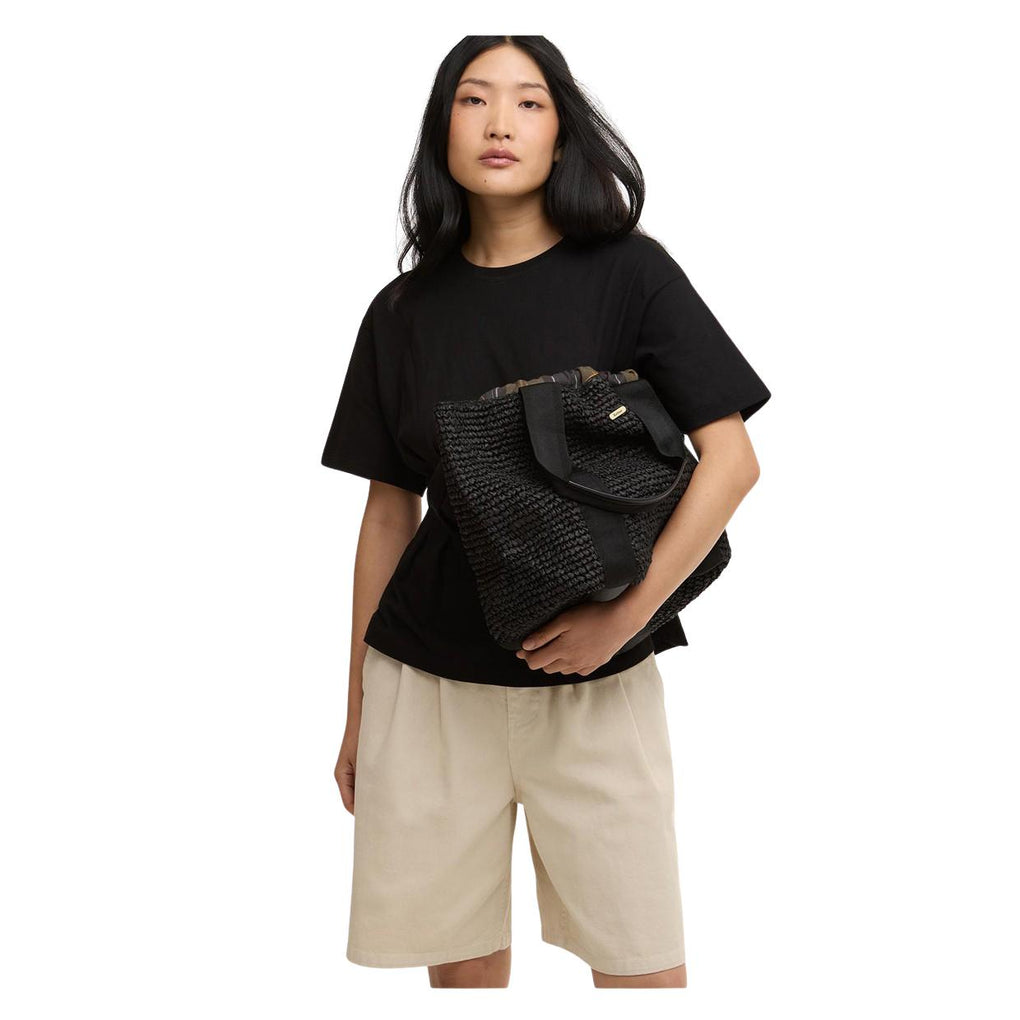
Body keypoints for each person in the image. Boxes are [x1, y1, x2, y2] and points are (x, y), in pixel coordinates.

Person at [320, 36, 771, 989]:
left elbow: (731, 463)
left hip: (598, 683)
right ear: (442, 127)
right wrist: (357, 713)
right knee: (462, 984)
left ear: (562, 133)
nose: (499, 123)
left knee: (643, 972)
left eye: (528, 102)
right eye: (473, 99)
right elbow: (388, 517)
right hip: (429, 688)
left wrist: (624, 617)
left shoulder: (629, 273)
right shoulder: (400, 313)